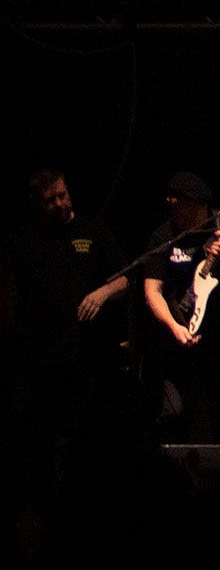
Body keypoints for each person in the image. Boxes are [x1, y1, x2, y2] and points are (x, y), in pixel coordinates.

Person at [0, 168, 129, 475]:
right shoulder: (23, 241)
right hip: (37, 358)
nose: (59, 204)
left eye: (62, 195)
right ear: (36, 202)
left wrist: (102, 292)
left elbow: (126, 278)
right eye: (50, 200)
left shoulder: (92, 230)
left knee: (82, 437)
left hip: (85, 356)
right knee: (36, 439)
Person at [140, 170, 220, 442]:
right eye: (169, 201)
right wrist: (174, 326)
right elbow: (152, 290)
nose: (171, 206)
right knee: (180, 423)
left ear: (196, 204)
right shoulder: (164, 234)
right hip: (181, 343)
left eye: (178, 202)